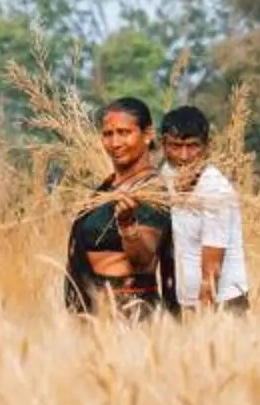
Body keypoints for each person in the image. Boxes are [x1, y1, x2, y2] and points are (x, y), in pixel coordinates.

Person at [62, 97, 177, 317]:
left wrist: (127, 224)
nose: (115, 143)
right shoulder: (107, 187)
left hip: (129, 311)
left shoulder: (151, 190)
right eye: (108, 134)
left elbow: (143, 261)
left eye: (124, 133)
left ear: (147, 135)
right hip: (95, 312)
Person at [158, 105, 250, 313]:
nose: (183, 156)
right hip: (186, 301)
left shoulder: (215, 189)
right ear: (163, 145)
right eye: (175, 146)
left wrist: (203, 318)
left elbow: (212, 270)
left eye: (192, 146)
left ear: (207, 147)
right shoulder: (166, 175)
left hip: (223, 303)